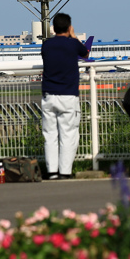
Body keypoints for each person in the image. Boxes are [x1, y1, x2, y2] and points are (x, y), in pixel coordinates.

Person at [40, 13, 89, 180]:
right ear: (69, 28)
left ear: (53, 29)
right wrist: (73, 36)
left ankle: (52, 171)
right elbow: (85, 54)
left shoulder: (46, 45)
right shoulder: (73, 44)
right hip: (68, 96)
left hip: (49, 96)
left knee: (50, 135)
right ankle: (65, 171)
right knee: (68, 135)